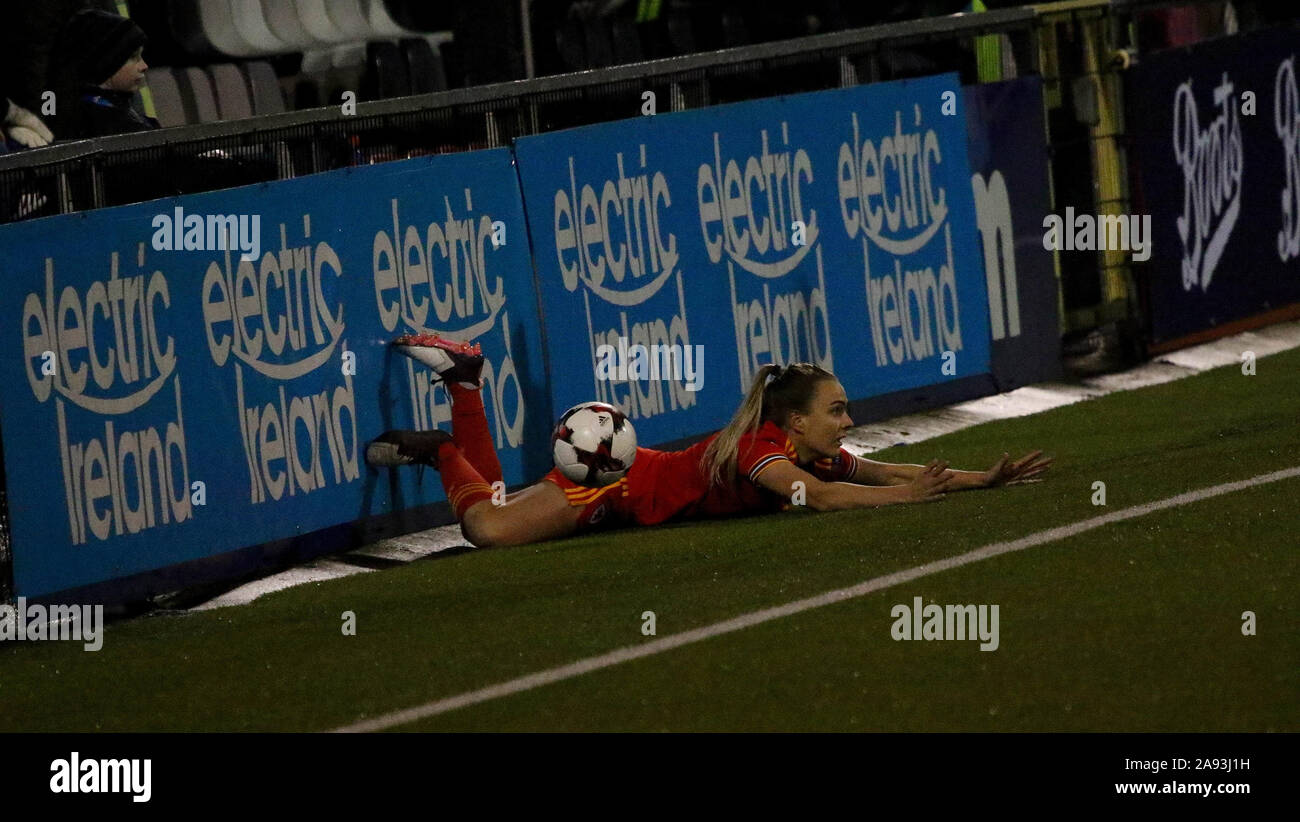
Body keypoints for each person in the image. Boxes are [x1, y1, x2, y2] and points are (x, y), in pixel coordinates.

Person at [367, 336, 1053, 548]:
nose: (847, 424)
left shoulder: (795, 448)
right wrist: (912, 497)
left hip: (631, 491)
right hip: (615, 484)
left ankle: (465, 385)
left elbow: (870, 471)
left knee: (494, 512)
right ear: (795, 422)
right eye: (837, 411)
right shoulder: (761, 453)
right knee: (486, 530)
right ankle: (438, 447)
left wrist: (978, 481)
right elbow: (820, 498)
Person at [49, 8, 158, 139]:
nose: (144, 66)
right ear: (106, 65)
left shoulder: (125, 116)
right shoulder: (110, 129)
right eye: (133, 57)